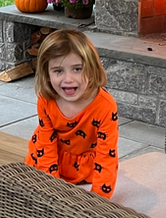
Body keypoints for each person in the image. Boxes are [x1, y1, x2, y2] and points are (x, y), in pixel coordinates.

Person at [25, 29, 119, 198]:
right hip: (49, 158)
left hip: (85, 168)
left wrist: (99, 199)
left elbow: (107, 155)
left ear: (92, 69)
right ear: (46, 74)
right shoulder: (46, 100)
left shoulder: (105, 106)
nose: (68, 79)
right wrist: (52, 190)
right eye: (58, 71)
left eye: (77, 69)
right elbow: (46, 145)